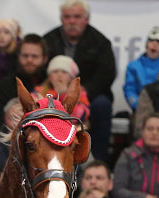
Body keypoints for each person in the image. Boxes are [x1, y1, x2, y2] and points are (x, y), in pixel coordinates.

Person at [42, 0, 116, 162]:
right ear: (62, 19)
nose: (72, 21)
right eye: (68, 17)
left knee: (102, 105)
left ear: (86, 19)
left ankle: (98, 161)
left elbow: (107, 74)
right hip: (52, 92)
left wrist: (83, 91)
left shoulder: (100, 42)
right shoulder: (48, 40)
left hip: (90, 94)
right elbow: (41, 70)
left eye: (77, 17)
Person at [0, 34, 47, 131]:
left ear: (44, 58)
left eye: (35, 56)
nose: (29, 60)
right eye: (25, 56)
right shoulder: (6, 85)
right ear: (18, 56)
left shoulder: (51, 82)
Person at [124, 27, 159, 112]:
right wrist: (140, 106)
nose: (154, 45)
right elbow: (129, 90)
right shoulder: (134, 66)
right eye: (151, 41)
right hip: (140, 110)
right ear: (146, 44)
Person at [34, 55, 89, 122]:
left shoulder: (79, 93)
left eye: (64, 72)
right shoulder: (39, 91)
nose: (59, 75)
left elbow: (81, 115)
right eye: (55, 71)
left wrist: (63, 94)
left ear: (71, 77)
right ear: (49, 77)